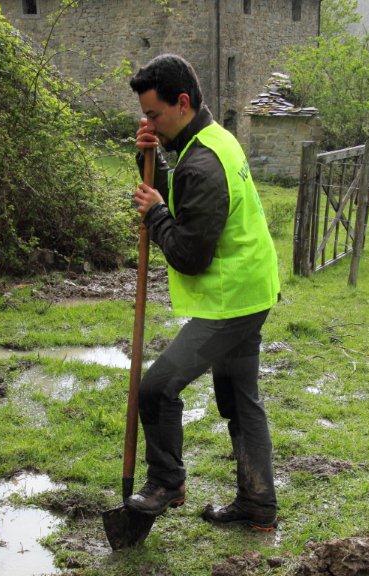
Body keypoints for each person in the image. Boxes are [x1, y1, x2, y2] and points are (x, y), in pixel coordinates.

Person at [126, 54, 280, 531]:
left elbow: (190, 255)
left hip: (231, 300)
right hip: (252, 286)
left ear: (183, 102)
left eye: (154, 115)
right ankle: (257, 504)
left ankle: (167, 482)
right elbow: (184, 197)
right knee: (239, 398)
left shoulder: (203, 162)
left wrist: (154, 213)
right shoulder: (212, 140)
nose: (148, 121)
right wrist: (149, 158)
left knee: (157, 387)